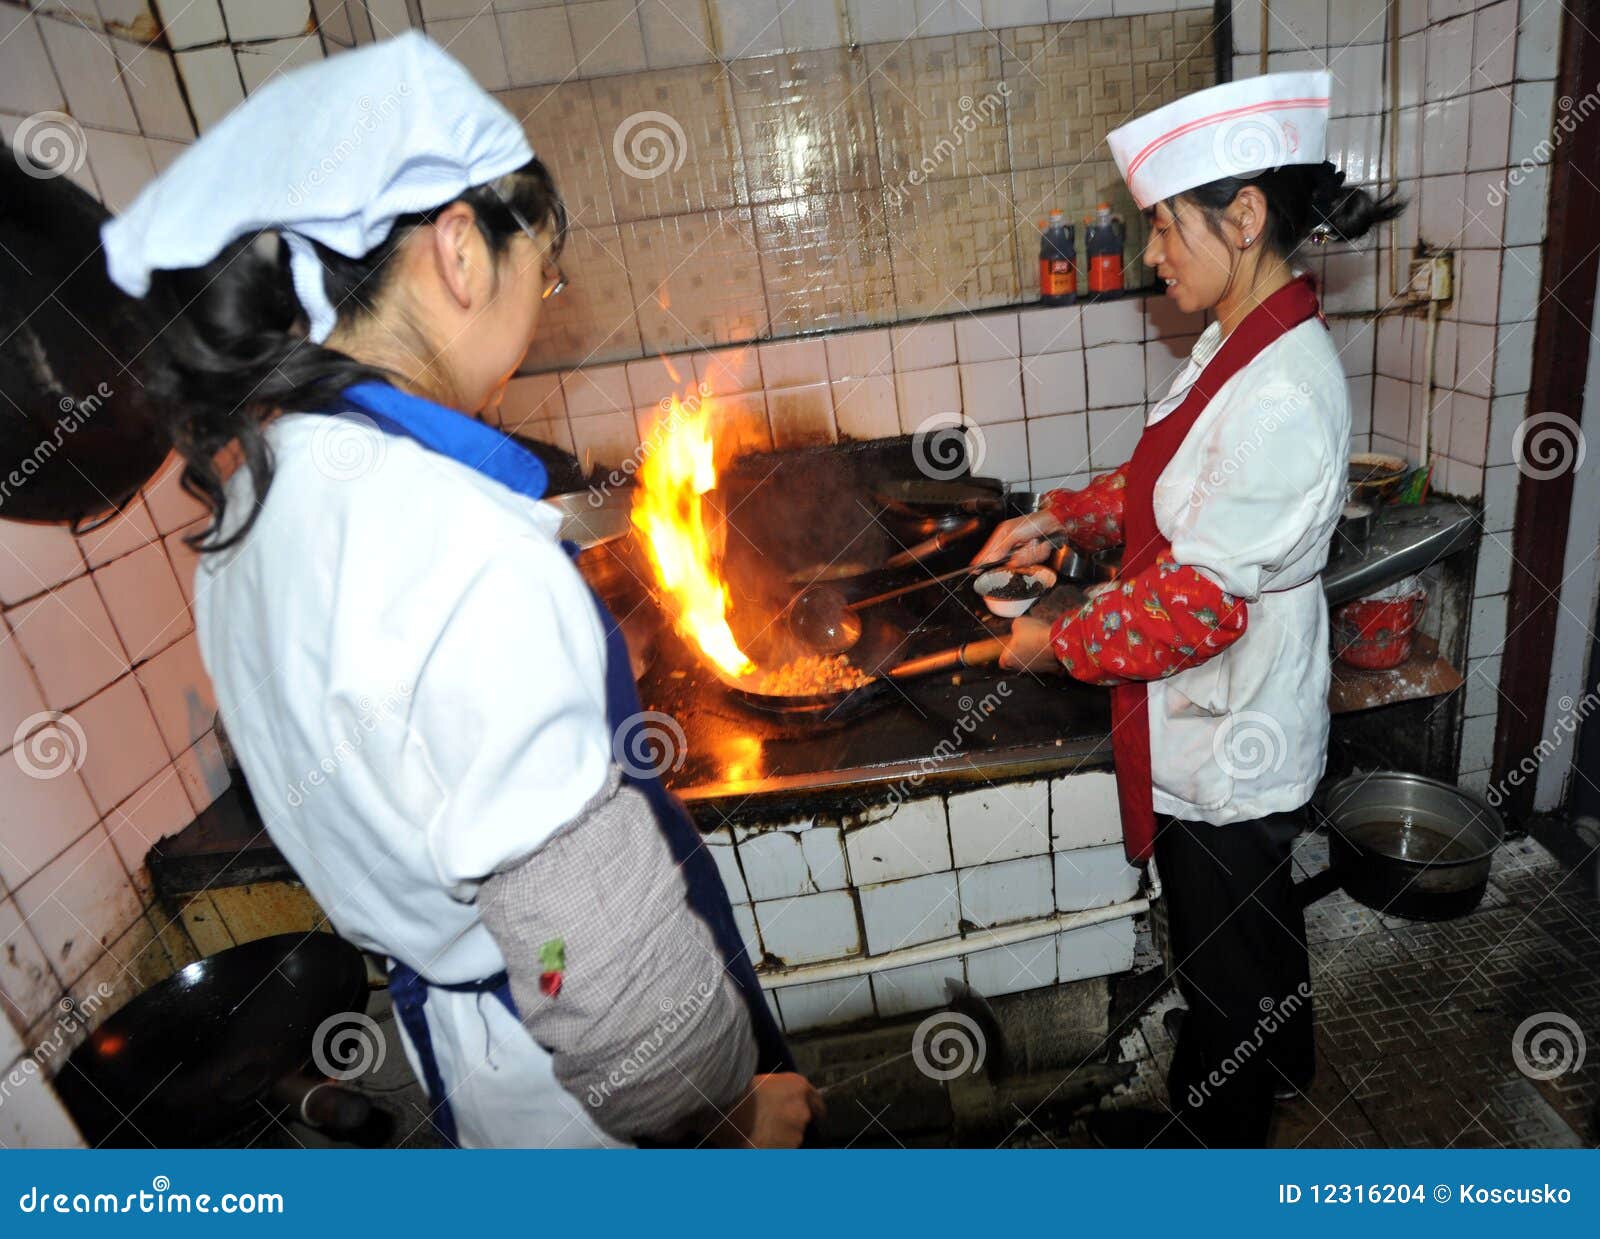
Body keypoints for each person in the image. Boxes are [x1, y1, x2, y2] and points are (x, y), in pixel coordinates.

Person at [101, 32, 820, 1149]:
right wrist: (728, 1117)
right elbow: (590, 943)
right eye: (545, 266)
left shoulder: (252, 513)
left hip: (485, 1060)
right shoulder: (455, 542)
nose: (545, 300)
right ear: (458, 250)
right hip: (599, 1091)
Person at [975, 72, 1402, 1147]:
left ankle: (1220, 1136)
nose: (1152, 252)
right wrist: (1061, 522)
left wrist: (1055, 639)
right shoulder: (1234, 340)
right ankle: (1287, 1050)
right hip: (1222, 702)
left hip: (1230, 712)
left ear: (1244, 216)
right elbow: (1168, 485)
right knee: (1254, 913)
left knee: (1221, 957)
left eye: (1163, 225)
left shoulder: (1284, 390)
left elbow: (1197, 606)